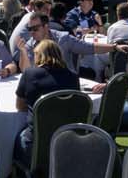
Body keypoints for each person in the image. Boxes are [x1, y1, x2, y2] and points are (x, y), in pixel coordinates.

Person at [12, 38, 82, 168]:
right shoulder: (72, 76)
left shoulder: (30, 74)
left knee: (15, 137)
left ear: (39, 55)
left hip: (36, 142)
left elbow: (20, 106)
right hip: (67, 140)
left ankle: (26, 177)